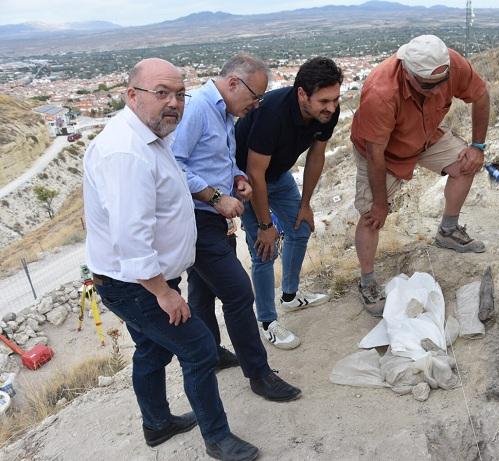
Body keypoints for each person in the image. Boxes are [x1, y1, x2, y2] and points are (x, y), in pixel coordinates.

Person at [84, 58, 259, 460]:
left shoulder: (149, 135)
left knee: (152, 349)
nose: (174, 103)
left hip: (142, 280)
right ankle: (218, 439)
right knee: (198, 349)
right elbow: (131, 239)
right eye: (161, 93)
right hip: (137, 285)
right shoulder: (126, 153)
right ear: (132, 95)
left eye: (180, 94)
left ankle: (157, 424)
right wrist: (163, 293)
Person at [172, 54, 301, 401]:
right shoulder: (198, 108)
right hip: (197, 219)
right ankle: (259, 374)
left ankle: (212, 353)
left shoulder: (226, 112)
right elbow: (172, 167)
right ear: (232, 83)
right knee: (240, 293)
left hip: (214, 218)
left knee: (202, 290)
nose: (257, 105)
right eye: (255, 96)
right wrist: (216, 197)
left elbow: (218, 160)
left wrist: (237, 178)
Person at [350, 35, 490, 316]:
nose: (437, 89)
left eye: (442, 82)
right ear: (407, 71)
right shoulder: (381, 92)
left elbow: (481, 94)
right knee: (371, 217)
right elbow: (376, 155)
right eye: (428, 85)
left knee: (466, 163)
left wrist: (477, 146)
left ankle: (448, 231)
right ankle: (367, 282)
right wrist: (380, 203)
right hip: (384, 152)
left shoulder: (451, 64)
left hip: (425, 136)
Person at [235, 57, 343, 350]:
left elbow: (316, 156)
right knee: (264, 249)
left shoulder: (327, 112)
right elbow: (255, 173)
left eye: (335, 99)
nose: (331, 107)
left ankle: (290, 296)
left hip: (279, 174)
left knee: (301, 227)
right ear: (301, 94)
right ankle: (268, 322)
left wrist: (305, 203)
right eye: (323, 100)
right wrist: (266, 225)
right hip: (244, 179)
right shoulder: (272, 113)